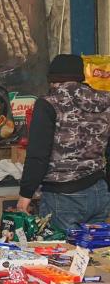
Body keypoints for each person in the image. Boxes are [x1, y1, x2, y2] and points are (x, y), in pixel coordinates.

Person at [17, 54, 110, 231]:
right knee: (95, 247)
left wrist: (25, 196)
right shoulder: (105, 101)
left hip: (62, 196)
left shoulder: (48, 104)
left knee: (61, 247)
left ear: (53, 80)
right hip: (99, 192)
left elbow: (38, 155)